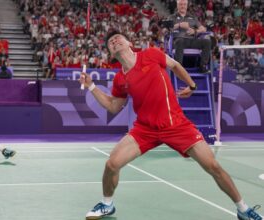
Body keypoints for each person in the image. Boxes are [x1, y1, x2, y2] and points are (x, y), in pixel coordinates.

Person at [79, 30, 262, 220]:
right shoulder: (120, 79)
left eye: (118, 38)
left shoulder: (150, 54)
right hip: (145, 129)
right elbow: (113, 106)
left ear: (129, 42)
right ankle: (107, 205)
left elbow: (174, 65)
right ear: (110, 53)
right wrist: (92, 87)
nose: (114, 41)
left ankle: (243, 209)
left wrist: (191, 86)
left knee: (213, 166)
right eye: (110, 42)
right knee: (112, 164)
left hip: (176, 124)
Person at [168, 0, 211, 73]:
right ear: (177, 5)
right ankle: (179, 68)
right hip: (179, 41)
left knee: (207, 42)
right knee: (180, 41)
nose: (182, 6)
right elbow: (168, 28)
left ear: (187, 6)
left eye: (184, 4)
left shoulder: (192, 17)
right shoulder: (172, 17)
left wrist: (195, 31)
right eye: (181, 4)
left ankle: (202, 66)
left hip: (192, 40)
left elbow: (203, 29)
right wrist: (179, 25)